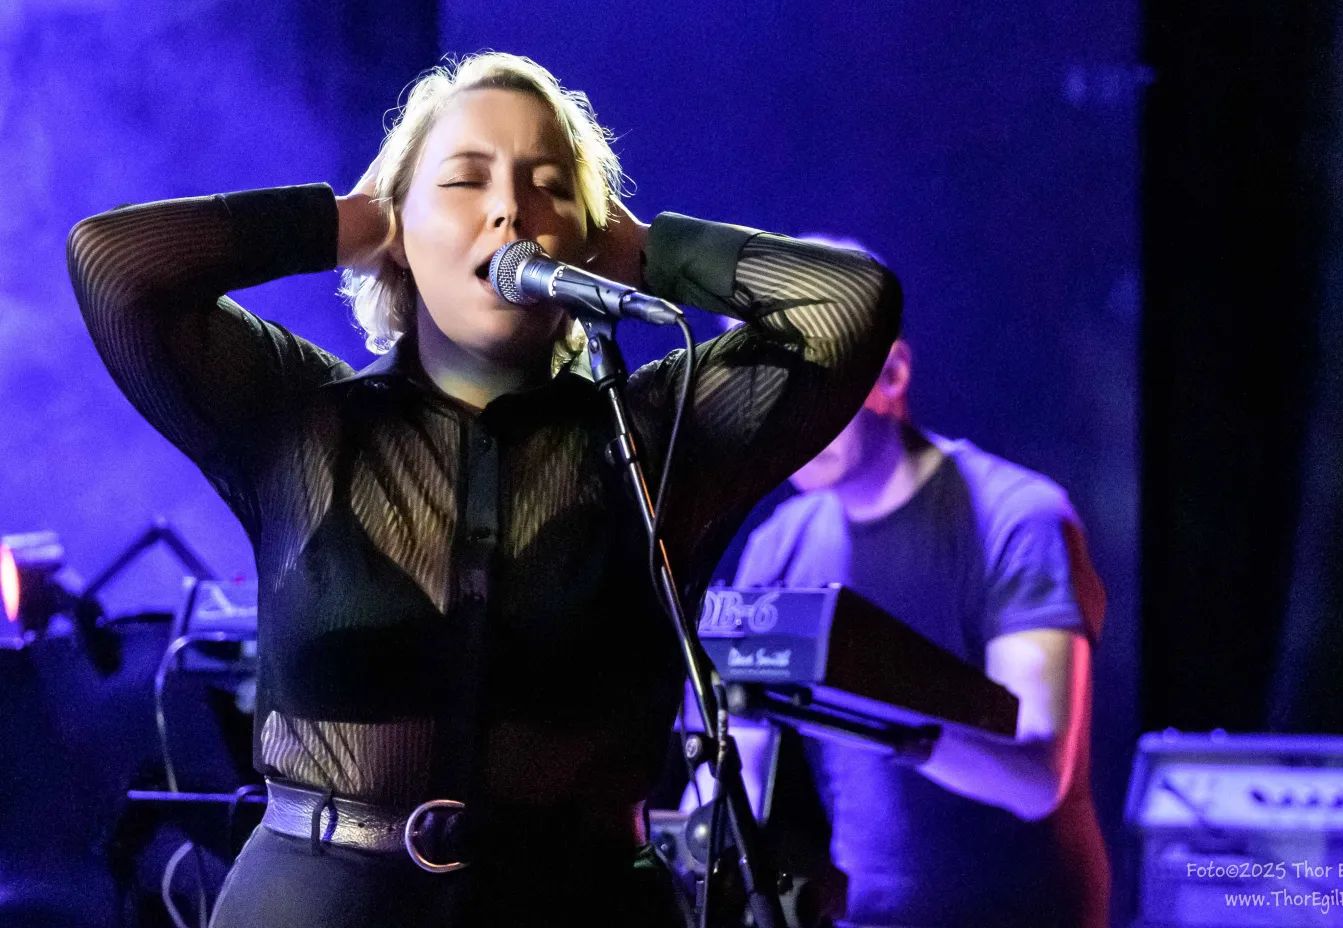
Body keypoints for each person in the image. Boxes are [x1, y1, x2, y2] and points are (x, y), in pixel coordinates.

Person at [67, 53, 900, 927]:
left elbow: (849, 305)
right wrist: (346, 223)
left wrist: (640, 252)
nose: (510, 210)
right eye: (465, 181)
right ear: (398, 226)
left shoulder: (655, 435)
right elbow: (115, 266)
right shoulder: (300, 418)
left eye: (549, 187)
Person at [734, 330, 1109, 928]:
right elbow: (737, 765)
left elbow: (1039, 775)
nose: (786, 417)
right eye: (762, 387)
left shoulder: (1018, 518)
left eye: (808, 381)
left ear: (892, 373)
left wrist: (882, 713)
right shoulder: (777, 546)